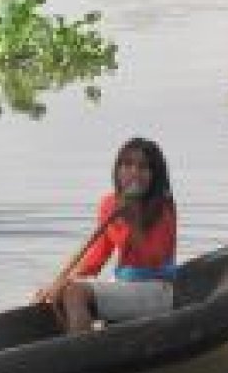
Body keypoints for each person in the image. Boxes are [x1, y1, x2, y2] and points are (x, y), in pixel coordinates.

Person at [38, 137, 177, 333]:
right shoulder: (109, 204)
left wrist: (134, 220)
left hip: (158, 289)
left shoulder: (163, 206)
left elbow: (155, 259)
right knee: (64, 291)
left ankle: (80, 355)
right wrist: (61, 283)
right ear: (117, 170)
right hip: (124, 283)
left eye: (143, 167)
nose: (134, 173)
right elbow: (98, 257)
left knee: (75, 294)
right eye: (127, 165)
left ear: (154, 175)